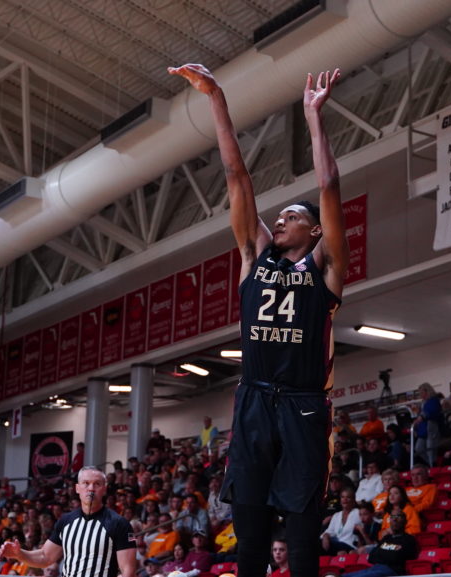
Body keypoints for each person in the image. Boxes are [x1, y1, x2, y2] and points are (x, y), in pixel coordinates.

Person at [169, 63, 348, 577]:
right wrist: (215, 97)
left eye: (294, 216)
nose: (281, 219)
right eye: (281, 216)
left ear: (315, 232)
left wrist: (314, 117)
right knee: (248, 534)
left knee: (299, 534)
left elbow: (330, 183)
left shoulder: (327, 268)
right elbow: (235, 176)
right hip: (253, 398)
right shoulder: (253, 256)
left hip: (303, 404)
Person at [2, 467, 136, 577]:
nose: (91, 488)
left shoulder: (119, 523)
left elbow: (128, 572)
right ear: (77, 488)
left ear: (104, 489)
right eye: (86, 483)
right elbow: (45, 557)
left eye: (97, 484)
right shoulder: (66, 521)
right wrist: (20, 554)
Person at [341, 507, 418, 577]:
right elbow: (372, 557)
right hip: (375, 568)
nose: (394, 519)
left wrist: (382, 554)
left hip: (392, 571)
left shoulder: (409, 539)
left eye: (398, 516)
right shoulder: (386, 538)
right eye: (392, 517)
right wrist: (388, 555)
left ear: (405, 521)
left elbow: (398, 558)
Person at [320, 490, 360, 554]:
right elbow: (330, 531)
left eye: (348, 497)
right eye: (342, 497)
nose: (345, 499)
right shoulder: (336, 515)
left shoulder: (358, 513)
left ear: (353, 500)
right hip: (336, 543)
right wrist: (326, 536)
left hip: (349, 545)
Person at [413, 383, 442, 466]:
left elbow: (432, 412)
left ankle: (433, 465)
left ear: (427, 391)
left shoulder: (434, 400)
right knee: (418, 448)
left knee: (430, 450)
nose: (421, 395)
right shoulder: (423, 403)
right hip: (423, 430)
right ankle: (430, 464)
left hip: (431, 428)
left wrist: (422, 416)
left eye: (422, 392)